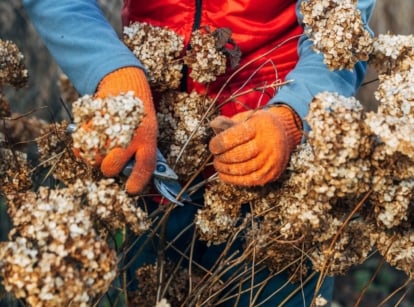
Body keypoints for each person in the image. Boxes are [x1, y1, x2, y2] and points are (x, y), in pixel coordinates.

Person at [22, 0, 375, 305]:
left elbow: (344, 22)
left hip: (277, 187)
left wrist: (296, 113)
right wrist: (110, 72)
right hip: (150, 166)